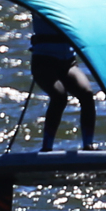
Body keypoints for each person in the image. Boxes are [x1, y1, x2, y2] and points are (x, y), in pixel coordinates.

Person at [29, 12, 96, 152]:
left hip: (68, 64)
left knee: (87, 94)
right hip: (44, 63)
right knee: (59, 97)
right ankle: (47, 147)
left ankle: (88, 145)